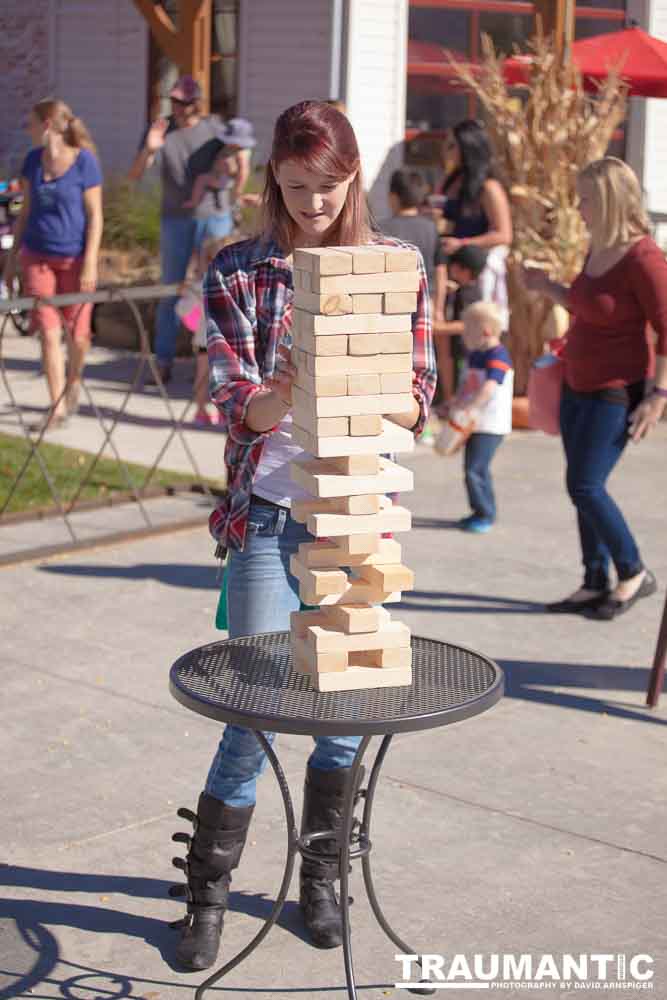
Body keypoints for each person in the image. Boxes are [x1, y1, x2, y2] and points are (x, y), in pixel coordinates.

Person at [168, 99, 436, 972]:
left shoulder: (395, 264)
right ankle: (206, 896)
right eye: (293, 188)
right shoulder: (240, 267)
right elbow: (236, 407)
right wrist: (292, 378)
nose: (311, 204)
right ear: (270, 182)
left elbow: (419, 397)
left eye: (326, 187)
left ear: (351, 175)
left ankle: (321, 881)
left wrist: (373, 369)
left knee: (345, 707)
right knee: (253, 706)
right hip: (272, 511)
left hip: (358, 510)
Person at [524, 157, 667, 619]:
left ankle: (633, 572)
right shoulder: (598, 248)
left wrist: (658, 395)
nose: (579, 207)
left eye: (585, 198)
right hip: (577, 382)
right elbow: (588, 307)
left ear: (607, 201)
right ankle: (593, 580)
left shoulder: (643, 257)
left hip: (617, 389)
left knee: (586, 485)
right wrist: (546, 287)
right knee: (578, 484)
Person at [129, 76, 246, 382]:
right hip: (175, 220)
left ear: (198, 103)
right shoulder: (160, 129)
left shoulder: (214, 129)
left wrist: (233, 169)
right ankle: (164, 362)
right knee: (171, 290)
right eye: (175, 101)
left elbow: (236, 160)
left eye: (185, 102)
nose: (179, 108)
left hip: (214, 217)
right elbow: (136, 174)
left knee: (220, 290)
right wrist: (150, 149)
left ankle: (222, 367)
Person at [2, 98, 103, 430]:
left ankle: (73, 382)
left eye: (30, 122)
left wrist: (90, 262)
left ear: (47, 124)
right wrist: (12, 259)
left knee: (78, 337)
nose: (26, 129)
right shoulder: (33, 161)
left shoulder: (84, 162)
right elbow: (25, 212)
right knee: (48, 333)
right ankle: (56, 408)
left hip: (75, 258)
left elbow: (95, 216)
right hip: (37, 256)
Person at [438, 120, 512, 397]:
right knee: (447, 333)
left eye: (452, 145)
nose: (447, 151)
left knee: (478, 329)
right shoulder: (452, 181)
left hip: (477, 271)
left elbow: (504, 234)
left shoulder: (489, 187)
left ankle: (480, 388)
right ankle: (450, 394)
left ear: (468, 147)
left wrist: (464, 242)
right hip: (452, 269)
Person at [441, 302, 512, 533]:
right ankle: (479, 510)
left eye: (468, 331)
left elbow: (489, 388)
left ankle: (485, 513)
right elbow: (468, 385)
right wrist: (456, 402)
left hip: (490, 425)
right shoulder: (475, 355)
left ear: (486, 331)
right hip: (475, 423)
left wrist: (470, 406)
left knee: (475, 468)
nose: (464, 336)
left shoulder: (498, 355)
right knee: (472, 468)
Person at [174, 235, 229, 426]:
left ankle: (203, 410)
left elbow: (182, 310)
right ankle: (216, 411)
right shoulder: (231, 284)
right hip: (223, 342)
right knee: (221, 379)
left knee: (205, 377)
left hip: (208, 341)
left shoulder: (199, 286)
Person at [380, 168, 447, 318]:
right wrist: (439, 309)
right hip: (425, 299)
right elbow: (441, 271)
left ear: (393, 197)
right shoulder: (431, 228)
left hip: (391, 303)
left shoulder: (380, 229)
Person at [434, 244, 488, 404]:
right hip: (459, 348)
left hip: (466, 350)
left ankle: (451, 402)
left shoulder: (470, 293)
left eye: (454, 267)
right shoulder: (465, 288)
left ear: (464, 271)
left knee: (462, 382)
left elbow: (468, 324)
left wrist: (441, 328)